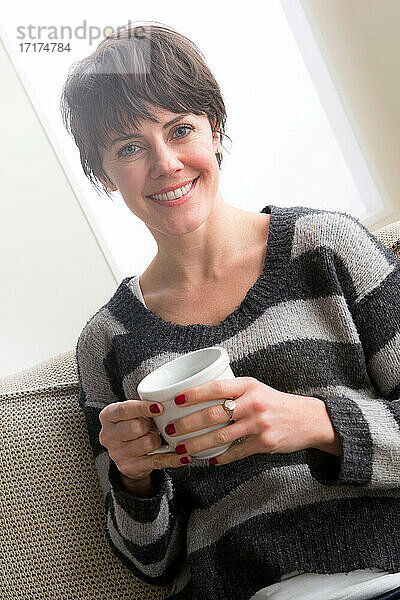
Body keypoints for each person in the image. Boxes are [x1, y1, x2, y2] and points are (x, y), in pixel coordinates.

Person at [60, 21, 400, 600]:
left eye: (180, 129)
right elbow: (151, 566)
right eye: (129, 147)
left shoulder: (327, 248)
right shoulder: (110, 339)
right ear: (103, 173)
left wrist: (319, 423)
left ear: (216, 130)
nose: (165, 163)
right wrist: (134, 478)